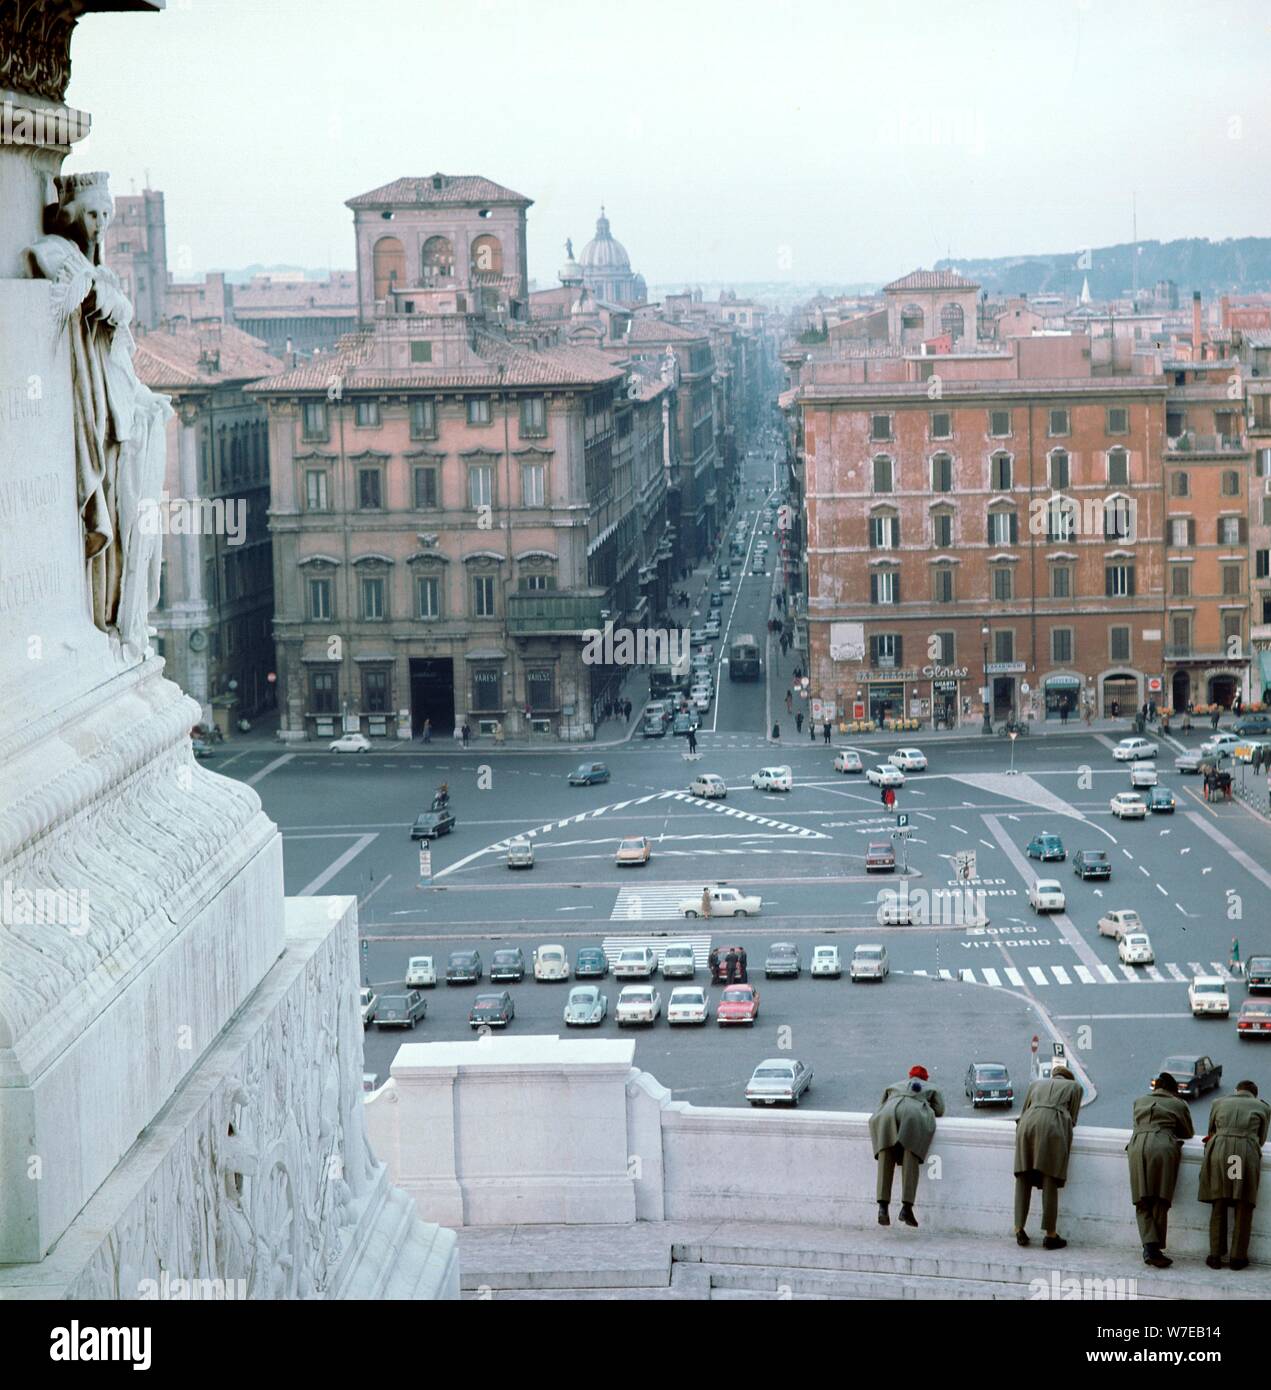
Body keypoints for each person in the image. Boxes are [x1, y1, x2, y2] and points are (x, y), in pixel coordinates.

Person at [1199, 1079, 1271, 1270]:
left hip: (1220, 1151)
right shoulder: (1263, 1107)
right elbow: (1261, 1138)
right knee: (1243, 1203)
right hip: (1244, 1154)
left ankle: (1215, 1255)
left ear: (1236, 1091)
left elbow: (1211, 1130)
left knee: (1219, 1200)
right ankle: (1238, 1258)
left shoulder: (1218, 1103)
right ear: (1254, 1094)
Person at [1126, 1071, 1193, 1268]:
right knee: (1160, 1198)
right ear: (1173, 1090)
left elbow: (1136, 1125)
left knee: (1142, 1199)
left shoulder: (1139, 1101)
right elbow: (1187, 1132)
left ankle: (1149, 1247)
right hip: (1163, 1146)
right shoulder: (1178, 1103)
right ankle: (1155, 1249)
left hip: (1137, 1146)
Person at [1013, 1064, 1083, 1249]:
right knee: (1049, 1177)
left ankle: (1019, 1227)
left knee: (1024, 1175)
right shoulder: (1075, 1087)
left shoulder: (1035, 1084)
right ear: (1068, 1078)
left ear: (1053, 1075)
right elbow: (1073, 1118)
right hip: (1053, 1126)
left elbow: (1023, 1111)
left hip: (1027, 1124)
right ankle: (1050, 1234)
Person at [868, 1065, 945, 1227]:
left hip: (888, 1114)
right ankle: (906, 1208)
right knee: (911, 1155)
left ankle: (883, 1208)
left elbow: (881, 1103)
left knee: (885, 1155)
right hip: (912, 1116)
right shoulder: (932, 1088)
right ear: (926, 1078)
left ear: (909, 1077)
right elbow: (939, 1110)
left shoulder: (894, 1085)